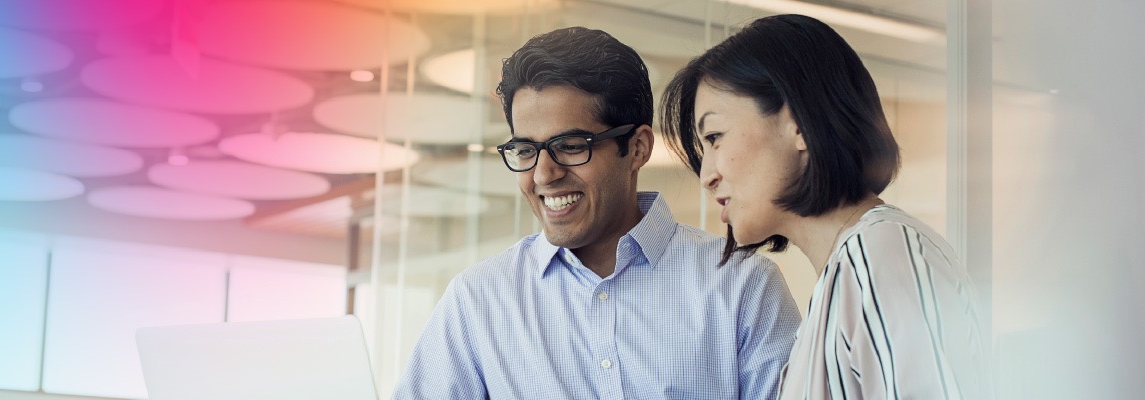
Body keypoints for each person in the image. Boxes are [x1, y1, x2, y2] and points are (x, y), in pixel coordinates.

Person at [393, 26, 801, 399]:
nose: (544, 174)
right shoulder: (479, 301)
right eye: (525, 150)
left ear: (638, 148)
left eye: (571, 146)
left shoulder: (742, 287)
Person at [659, 14, 984, 399]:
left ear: (796, 123)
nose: (707, 175)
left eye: (715, 136)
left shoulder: (879, 255)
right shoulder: (848, 273)